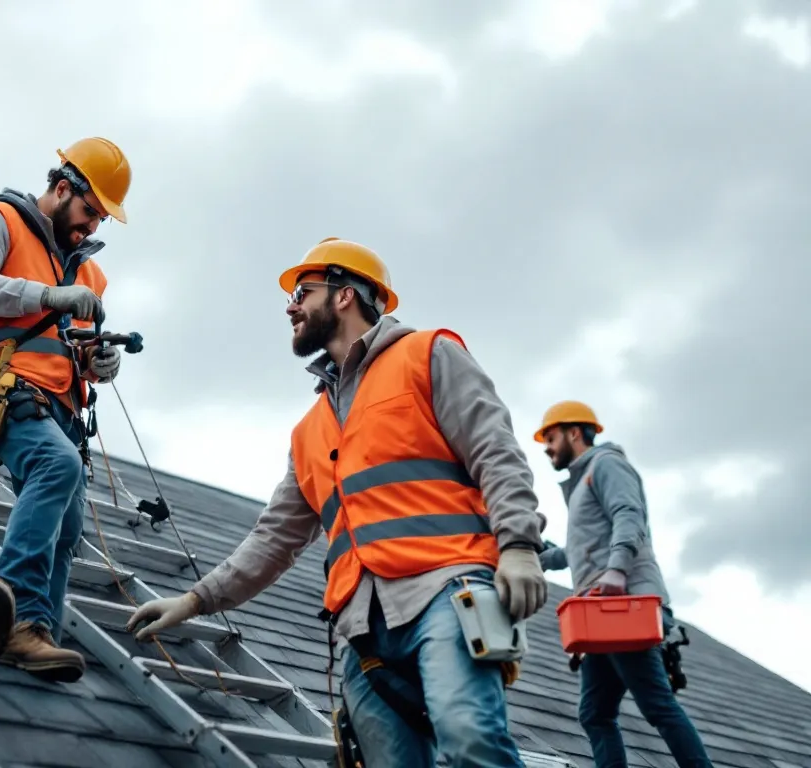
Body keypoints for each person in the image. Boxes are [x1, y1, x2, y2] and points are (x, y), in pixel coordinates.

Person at [125, 237, 549, 767]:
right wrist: (194, 601)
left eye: (303, 291)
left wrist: (518, 547)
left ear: (346, 295)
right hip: (362, 629)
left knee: (470, 742)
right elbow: (274, 538)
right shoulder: (310, 431)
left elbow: (497, 451)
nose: (290, 305)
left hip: (446, 589)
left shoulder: (428, 354)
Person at [0, 137, 131, 683]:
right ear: (62, 188)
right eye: (89, 211)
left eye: (101, 219)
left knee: (69, 529)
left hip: (63, 410)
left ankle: (22, 631)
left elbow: (70, 346)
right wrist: (48, 297)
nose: (92, 226)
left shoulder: (90, 276)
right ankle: (11, 597)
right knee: (57, 467)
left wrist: (97, 361)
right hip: (5, 389)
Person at [533, 401, 712, 768]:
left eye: (550, 437)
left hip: (622, 604)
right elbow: (582, 548)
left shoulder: (606, 464)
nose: (547, 447)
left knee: (656, 704)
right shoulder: (582, 483)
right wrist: (537, 559)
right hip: (598, 613)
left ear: (573, 432)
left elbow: (629, 514)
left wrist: (617, 570)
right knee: (595, 713)